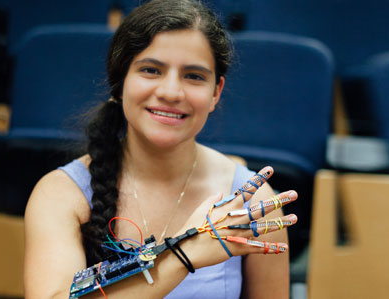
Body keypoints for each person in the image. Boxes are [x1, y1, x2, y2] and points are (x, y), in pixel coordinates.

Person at [24, 0, 298, 298]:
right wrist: (184, 256)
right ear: (119, 83)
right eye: (151, 70)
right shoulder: (62, 195)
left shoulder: (253, 201)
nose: (170, 92)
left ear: (215, 92)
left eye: (193, 76)